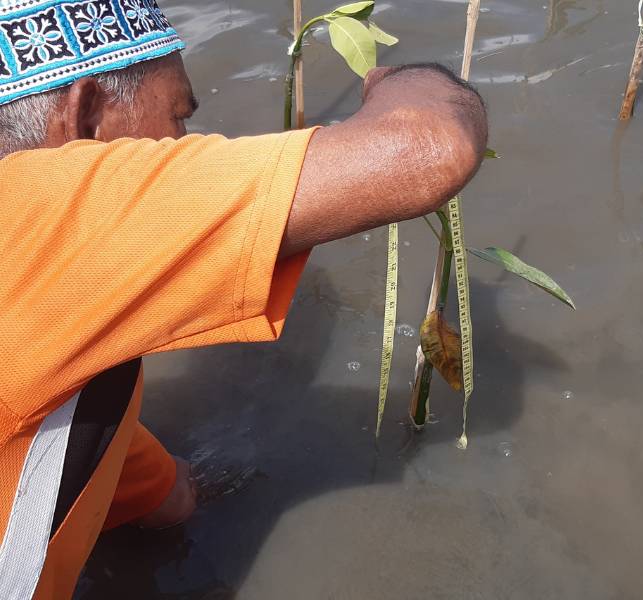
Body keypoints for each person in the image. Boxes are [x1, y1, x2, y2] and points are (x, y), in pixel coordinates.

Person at [0, 0, 488, 596]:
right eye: (179, 120)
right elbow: (431, 145)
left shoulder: (69, 358)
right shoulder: (36, 211)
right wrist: (410, 82)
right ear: (89, 117)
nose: (186, 141)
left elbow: (166, 501)